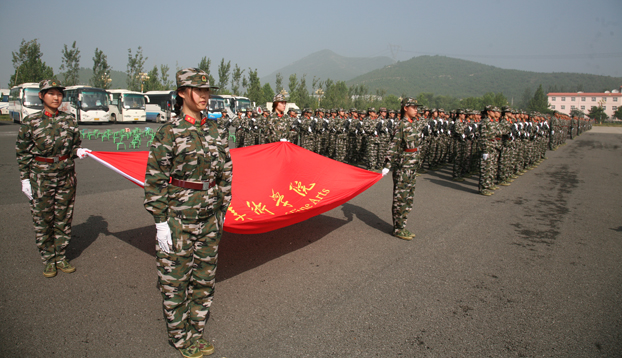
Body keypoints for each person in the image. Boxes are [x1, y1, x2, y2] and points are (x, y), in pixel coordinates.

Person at [144, 68, 232, 358]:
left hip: (209, 218)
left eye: (207, 90)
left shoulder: (214, 129)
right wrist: (160, 223)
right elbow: (155, 179)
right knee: (175, 280)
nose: (205, 95)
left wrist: (223, 208)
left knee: (204, 279)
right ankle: (180, 339)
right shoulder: (169, 132)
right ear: (182, 92)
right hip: (179, 219)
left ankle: (196, 332)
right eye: (198, 90)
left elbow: (226, 171)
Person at [16, 79, 90, 278]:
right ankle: (48, 259)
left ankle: (60, 256)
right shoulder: (31, 122)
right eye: (51, 93)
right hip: (41, 176)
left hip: (66, 175)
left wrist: (78, 151)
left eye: (59, 94)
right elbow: (22, 153)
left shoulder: (69, 120)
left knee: (63, 217)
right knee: (43, 219)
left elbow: (74, 145)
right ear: (41, 96)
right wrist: (25, 179)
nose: (56, 97)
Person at [381, 97, 424, 240]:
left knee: (409, 198)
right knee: (401, 198)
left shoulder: (414, 124)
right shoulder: (401, 125)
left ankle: (403, 225)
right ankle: (398, 228)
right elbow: (394, 146)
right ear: (405, 108)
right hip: (403, 167)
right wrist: (387, 165)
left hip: (412, 166)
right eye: (413, 107)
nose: (416, 109)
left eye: (417, 107)